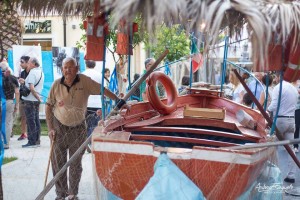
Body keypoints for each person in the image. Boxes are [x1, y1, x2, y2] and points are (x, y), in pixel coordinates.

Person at [45, 57, 123, 200]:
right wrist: (50, 128)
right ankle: (60, 194)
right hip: (59, 127)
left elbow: (102, 90)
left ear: (77, 68)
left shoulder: (84, 81)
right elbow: (48, 106)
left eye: (71, 67)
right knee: (58, 163)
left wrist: (117, 99)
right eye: (65, 67)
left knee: (75, 163)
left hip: (78, 128)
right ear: (62, 69)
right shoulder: (56, 84)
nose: (68, 70)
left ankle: (72, 194)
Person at [267, 75, 298, 183]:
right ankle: (291, 175)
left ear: (278, 77)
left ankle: (273, 174)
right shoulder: (294, 89)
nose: (274, 79)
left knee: (272, 147)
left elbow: (274, 104)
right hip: (291, 120)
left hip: (280, 120)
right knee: (291, 149)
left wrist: (267, 109)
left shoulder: (278, 88)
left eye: (275, 77)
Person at [19, 57, 44, 147]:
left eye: (29, 63)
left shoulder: (32, 72)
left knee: (30, 121)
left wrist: (38, 98)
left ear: (33, 64)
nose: (28, 64)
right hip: (35, 101)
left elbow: (32, 88)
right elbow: (32, 84)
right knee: (36, 120)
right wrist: (24, 81)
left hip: (30, 100)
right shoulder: (40, 72)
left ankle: (32, 141)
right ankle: (37, 141)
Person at [81, 60, 102, 153]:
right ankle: (92, 143)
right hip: (97, 103)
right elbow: (104, 89)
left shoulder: (82, 75)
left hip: (85, 103)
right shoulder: (99, 75)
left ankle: (87, 143)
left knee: (85, 125)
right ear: (95, 65)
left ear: (85, 64)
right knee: (94, 125)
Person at [0, 62, 19, 149]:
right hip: (9, 101)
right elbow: (17, 92)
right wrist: (17, 105)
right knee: (7, 122)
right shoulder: (13, 78)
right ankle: (6, 143)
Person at [17, 56, 30, 140]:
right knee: (23, 117)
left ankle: (31, 134)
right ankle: (23, 133)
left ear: (27, 63)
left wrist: (24, 82)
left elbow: (33, 85)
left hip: (30, 99)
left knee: (31, 117)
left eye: (22, 62)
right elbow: (22, 86)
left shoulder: (33, 73)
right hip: (23, 97)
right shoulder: (22, 73)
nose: (20, 64)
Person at [293, 81, 300, 153]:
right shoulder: (290, 85)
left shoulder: (299, 84)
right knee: (296, 127)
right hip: (296, 108)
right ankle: (295, 145)